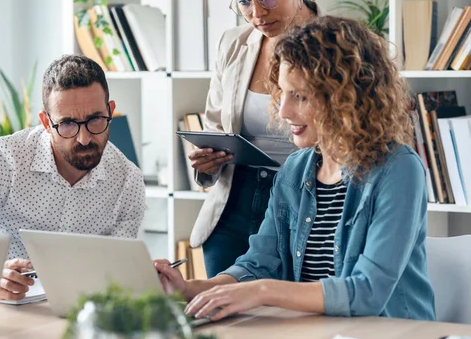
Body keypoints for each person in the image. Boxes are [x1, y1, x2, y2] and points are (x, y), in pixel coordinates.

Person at [156, 16, 436, 320]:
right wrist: (190, 289)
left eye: (300, 96)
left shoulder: (399, 170)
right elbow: (256, 264)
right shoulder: (296, 168)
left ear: (343, 98)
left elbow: (367, 292)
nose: (283, 110)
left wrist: (263, 291)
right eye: (283, 92)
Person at [0, 54, 146, 301]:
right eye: (67, 124)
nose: (84, 138)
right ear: (46, 122)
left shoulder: (127, 181)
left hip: (76, 313)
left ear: (110, 111)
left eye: (95, 120)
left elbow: (116, 271)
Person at [189, 0, 325, 277]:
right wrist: (206, 162)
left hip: (307, 205)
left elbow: (352, 142)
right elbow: (216, 127)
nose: (257, 13)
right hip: (232, 209)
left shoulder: (337, 46)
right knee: (225, 324)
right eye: (243, 2)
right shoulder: (232, 44)